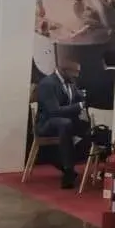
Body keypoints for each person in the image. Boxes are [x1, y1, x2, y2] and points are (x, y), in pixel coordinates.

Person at [35, 57, 89, 189]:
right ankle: (68, 170)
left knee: (92, 128)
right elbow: (54, 111)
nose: (77, 75)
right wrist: (79, 106)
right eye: (75, 72)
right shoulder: (47, 84)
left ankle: (69, 162)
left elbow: (80, 100)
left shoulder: (71, 83)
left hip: (66, 123)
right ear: (63, 70)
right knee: (65, 124)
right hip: (46, 124)